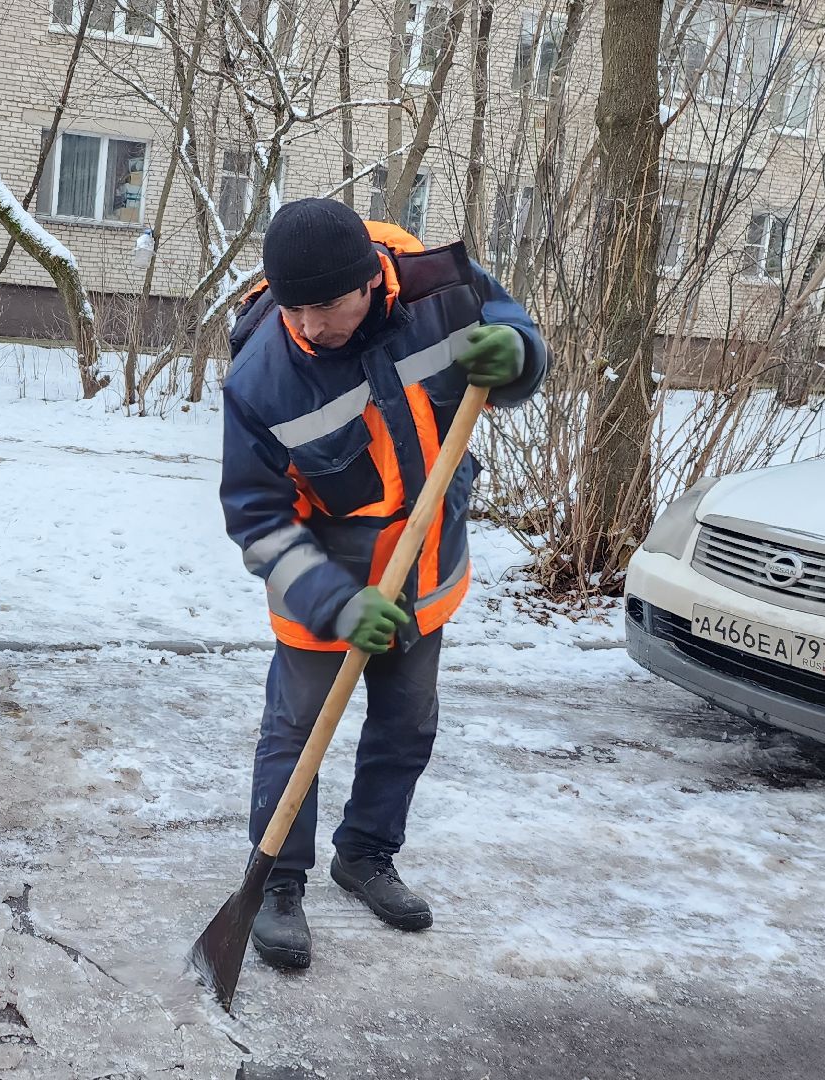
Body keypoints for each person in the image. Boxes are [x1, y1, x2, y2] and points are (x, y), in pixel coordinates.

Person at [220, 198, 548, 971]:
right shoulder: (261, 379)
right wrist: (336, 602)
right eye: (293, 306)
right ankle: (277, 879)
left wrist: (521, 355)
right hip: (322, 579)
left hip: (426, 562)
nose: (308, 325)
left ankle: (366, 853)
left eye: (325, 306)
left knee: (407, 724)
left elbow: (512, 327)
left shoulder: (442, 292)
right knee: (295, 731)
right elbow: (258, 518)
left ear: (370, 282)